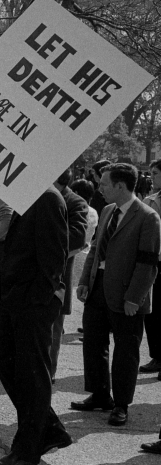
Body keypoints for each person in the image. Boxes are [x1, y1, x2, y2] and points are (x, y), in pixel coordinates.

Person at [0, 187, 70, 465]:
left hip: (32, 303)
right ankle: (49, 428)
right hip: (14, 299)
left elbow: (54, 257)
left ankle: (27, 451)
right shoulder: (28, 196)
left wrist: (38, 300)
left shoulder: (47, 198)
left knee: (31, 373)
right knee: (5, 362)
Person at [73, 163, 160, 427]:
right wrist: (86, 280)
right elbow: (97, 247)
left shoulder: (148, 217)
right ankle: (100, 395)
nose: (100, 188)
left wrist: (135, 297)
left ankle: (121, 404)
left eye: (105, 184)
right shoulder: (108, 210)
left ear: (121, 186)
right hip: (99, 288)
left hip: (127, 296)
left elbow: (148, 264)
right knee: (94, 343)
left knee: (126, 350)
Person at [50, 170, 89, 380]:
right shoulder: (38, 196)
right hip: (32, 274)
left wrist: (42, 241)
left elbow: (76, 238)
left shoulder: (75, 202)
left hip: (56, 276)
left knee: (53, 328)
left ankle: (48, 374)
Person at [141, 161, 161, 375]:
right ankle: (157, 356)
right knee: (153, 312)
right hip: (155, 261)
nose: (151, 178)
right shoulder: (150, 200)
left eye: (155, 174)